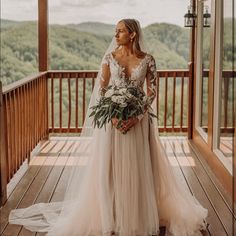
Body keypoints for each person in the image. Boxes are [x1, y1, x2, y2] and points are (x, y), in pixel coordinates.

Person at [9, 19, 208, 236]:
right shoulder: (109, 58)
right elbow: (102, 90)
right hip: (112, 124)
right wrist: (113, 116)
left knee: (139, 168)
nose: (116, 35)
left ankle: (137, 213)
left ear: (132, 34)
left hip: (139, 124)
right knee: (110, 169)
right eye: (115, 31)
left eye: (120, 31)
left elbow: (151, 92)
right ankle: (111, 213)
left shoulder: (148, 60)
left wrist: (137, 116)